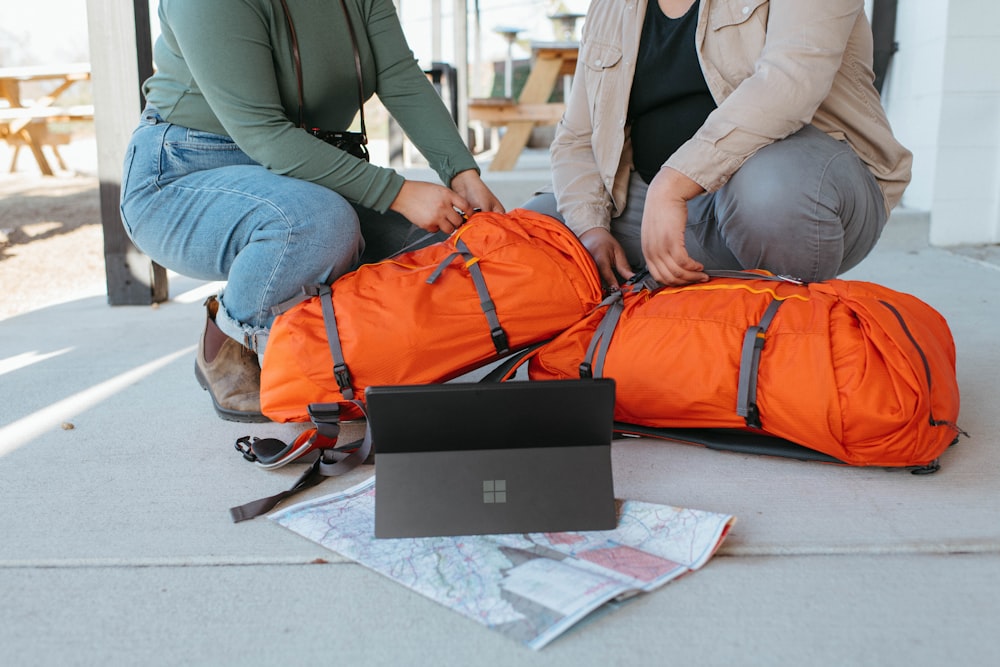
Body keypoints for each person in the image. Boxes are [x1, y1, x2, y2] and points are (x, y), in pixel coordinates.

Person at [119, 0, 503, 423]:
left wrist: (461, 173)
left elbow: (398, 75)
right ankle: (229, 339)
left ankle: (337, 344)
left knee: (441, 241)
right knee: (319, 225)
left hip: (305, 165)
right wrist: (398, 192)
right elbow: (263, 133)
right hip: (185, 171)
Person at [522, 0, 912, 292]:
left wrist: (674, 182)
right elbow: (577, 136)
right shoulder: (610, 6)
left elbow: (790, 83)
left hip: (796, 195)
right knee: (532, 237)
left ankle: (785, 331)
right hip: (656, 213)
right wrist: (590, 228)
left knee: (770, 193)